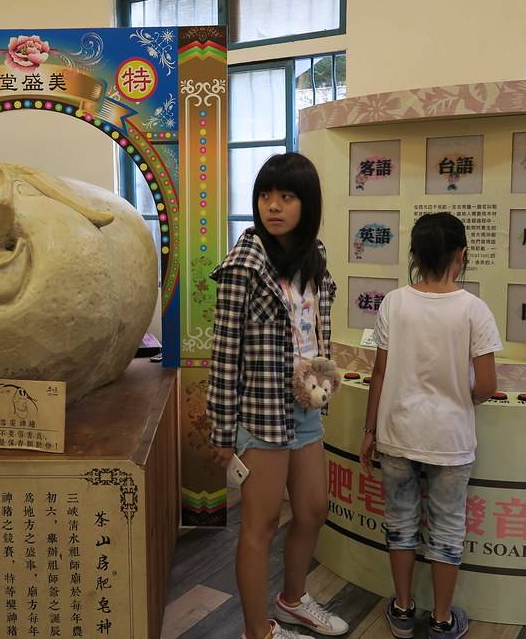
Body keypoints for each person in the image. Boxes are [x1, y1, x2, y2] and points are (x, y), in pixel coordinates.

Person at [207, 153, 348, 639]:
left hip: (306, 407)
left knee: (313, 511)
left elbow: (317, 332)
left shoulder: (315, 258)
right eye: (266, 195)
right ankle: (257, 631)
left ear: (307, 204)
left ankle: (292, 600)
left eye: (287, 196)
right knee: (261, 525)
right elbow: (224, 352)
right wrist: (222, 429)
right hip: (262, 413)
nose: (273, 205)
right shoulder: (245, 263)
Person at [359, 212, 501, 639]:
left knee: (400, 522)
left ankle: (403, 610)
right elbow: (487, 385)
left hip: (397, 433)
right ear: (462, 255)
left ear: (414, 255)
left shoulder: (394, 302)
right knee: (447, 528)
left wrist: (369, 431)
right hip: (451, 439)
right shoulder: (474, 309)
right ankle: (441, 619)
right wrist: (461, 395)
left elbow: (379, 373)